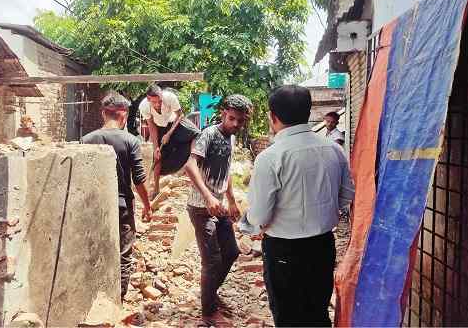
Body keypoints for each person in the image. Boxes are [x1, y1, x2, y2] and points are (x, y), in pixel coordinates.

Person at [240, 86, 355, 327]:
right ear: (308, 111)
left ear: (273, 117)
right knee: (317, 312)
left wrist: (249, 226)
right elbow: (346, 197)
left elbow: (259, 215)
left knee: (289, 317)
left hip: (284, 251)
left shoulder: (270, 157)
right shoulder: (333, 149)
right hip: (322, 246)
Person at [183, 94, 253, 326]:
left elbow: (227, 170)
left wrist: (231, 200)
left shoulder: (231, 138)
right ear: (224, 113)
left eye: (240, 121)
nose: (235, 124)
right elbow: (190, 165)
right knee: (211, 260)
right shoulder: (209, 135)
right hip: (201, 207)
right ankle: (208, 312)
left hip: (219, 207)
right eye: (232, 118)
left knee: (231, 252)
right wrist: (208, 196)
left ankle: (210, 294)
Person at [82, 93, 152, 300]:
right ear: (124, 115)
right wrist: (147, 206)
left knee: (95, 250)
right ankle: (117, 299)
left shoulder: (87, 140)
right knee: (124, 253)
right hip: (122, 206)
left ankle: (96, 297)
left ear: (104, 113)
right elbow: (139, 179)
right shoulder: (130, 140)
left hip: (94, 206)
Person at [139, 84, 200, 198]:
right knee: (157, 157)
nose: (158, 104)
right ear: (148, 99)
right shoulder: (144, 106)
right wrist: (156, 147)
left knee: (197, 134)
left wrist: (169, 133)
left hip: (175, 123)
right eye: (154, 102)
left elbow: (180, 115)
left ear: (162, 96)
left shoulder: (170, 97)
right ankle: (156, 189)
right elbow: (151, 126)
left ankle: (194, 167)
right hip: (159, 127)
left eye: (160, 101)